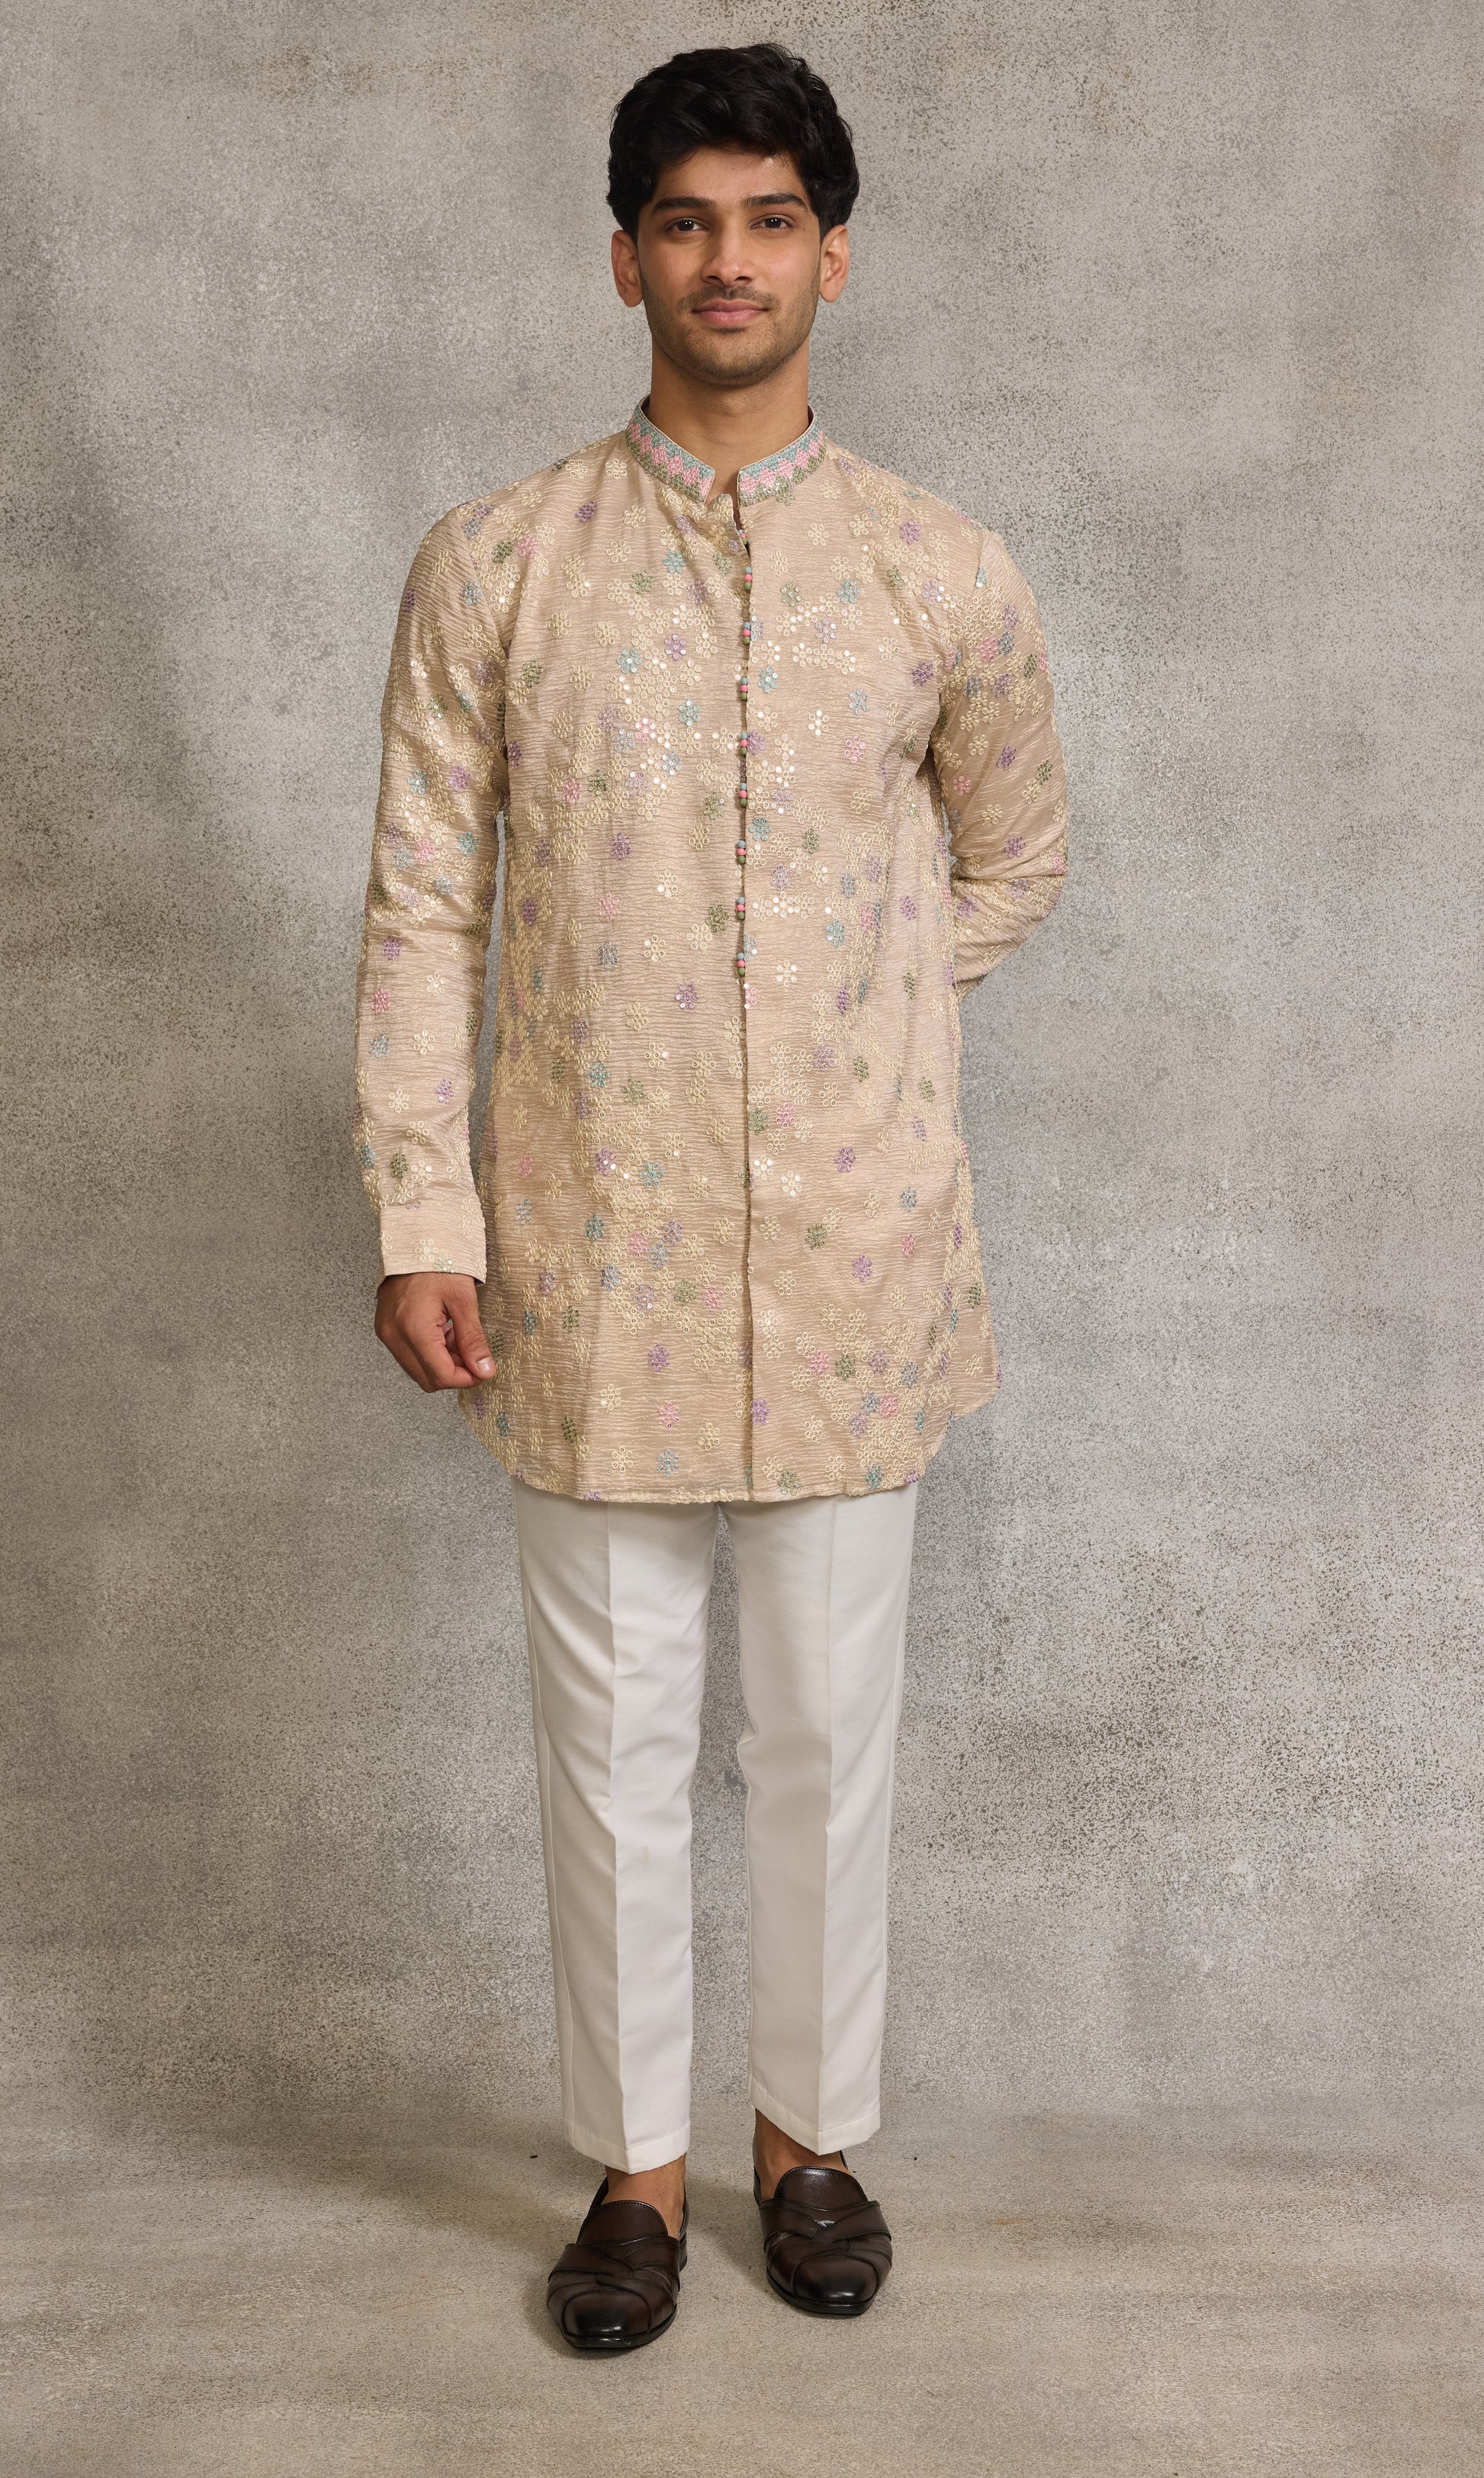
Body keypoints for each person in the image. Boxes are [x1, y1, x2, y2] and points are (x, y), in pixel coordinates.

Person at [352, 41, 1068, 2352]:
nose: (726, 261)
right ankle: (635, 2175)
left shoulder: (940, 568)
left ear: (832, 258)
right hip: (586, 1252)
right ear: (624, 259)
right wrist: (426, 1208)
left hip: (858, 1252)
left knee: (830, 1732)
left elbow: (1012, 856)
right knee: (613, 1740)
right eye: (685, 221)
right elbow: (420, 908)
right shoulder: (497, 564)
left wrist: (858, 1021)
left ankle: (810, 2145)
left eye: (768, 221)